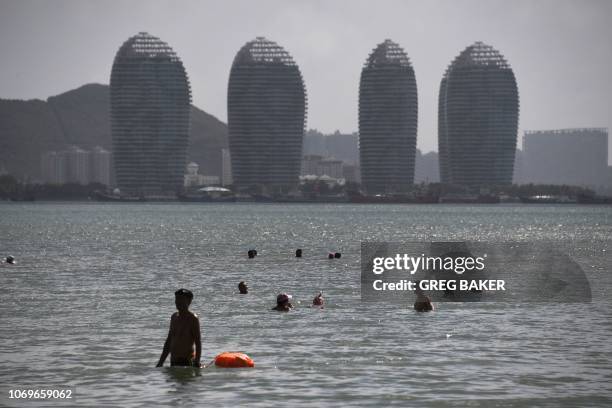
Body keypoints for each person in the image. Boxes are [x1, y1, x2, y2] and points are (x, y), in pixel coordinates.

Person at [156, 289, 202, 367]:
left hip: (186, 362)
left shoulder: (193, 319)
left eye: (181, 299)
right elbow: (168, 341)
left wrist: (197, 361)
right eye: (177, 299)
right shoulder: (174, 317)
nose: (178, 302)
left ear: (189, 301)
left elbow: (198, 342)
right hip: (173, 362)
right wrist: (160, 362)